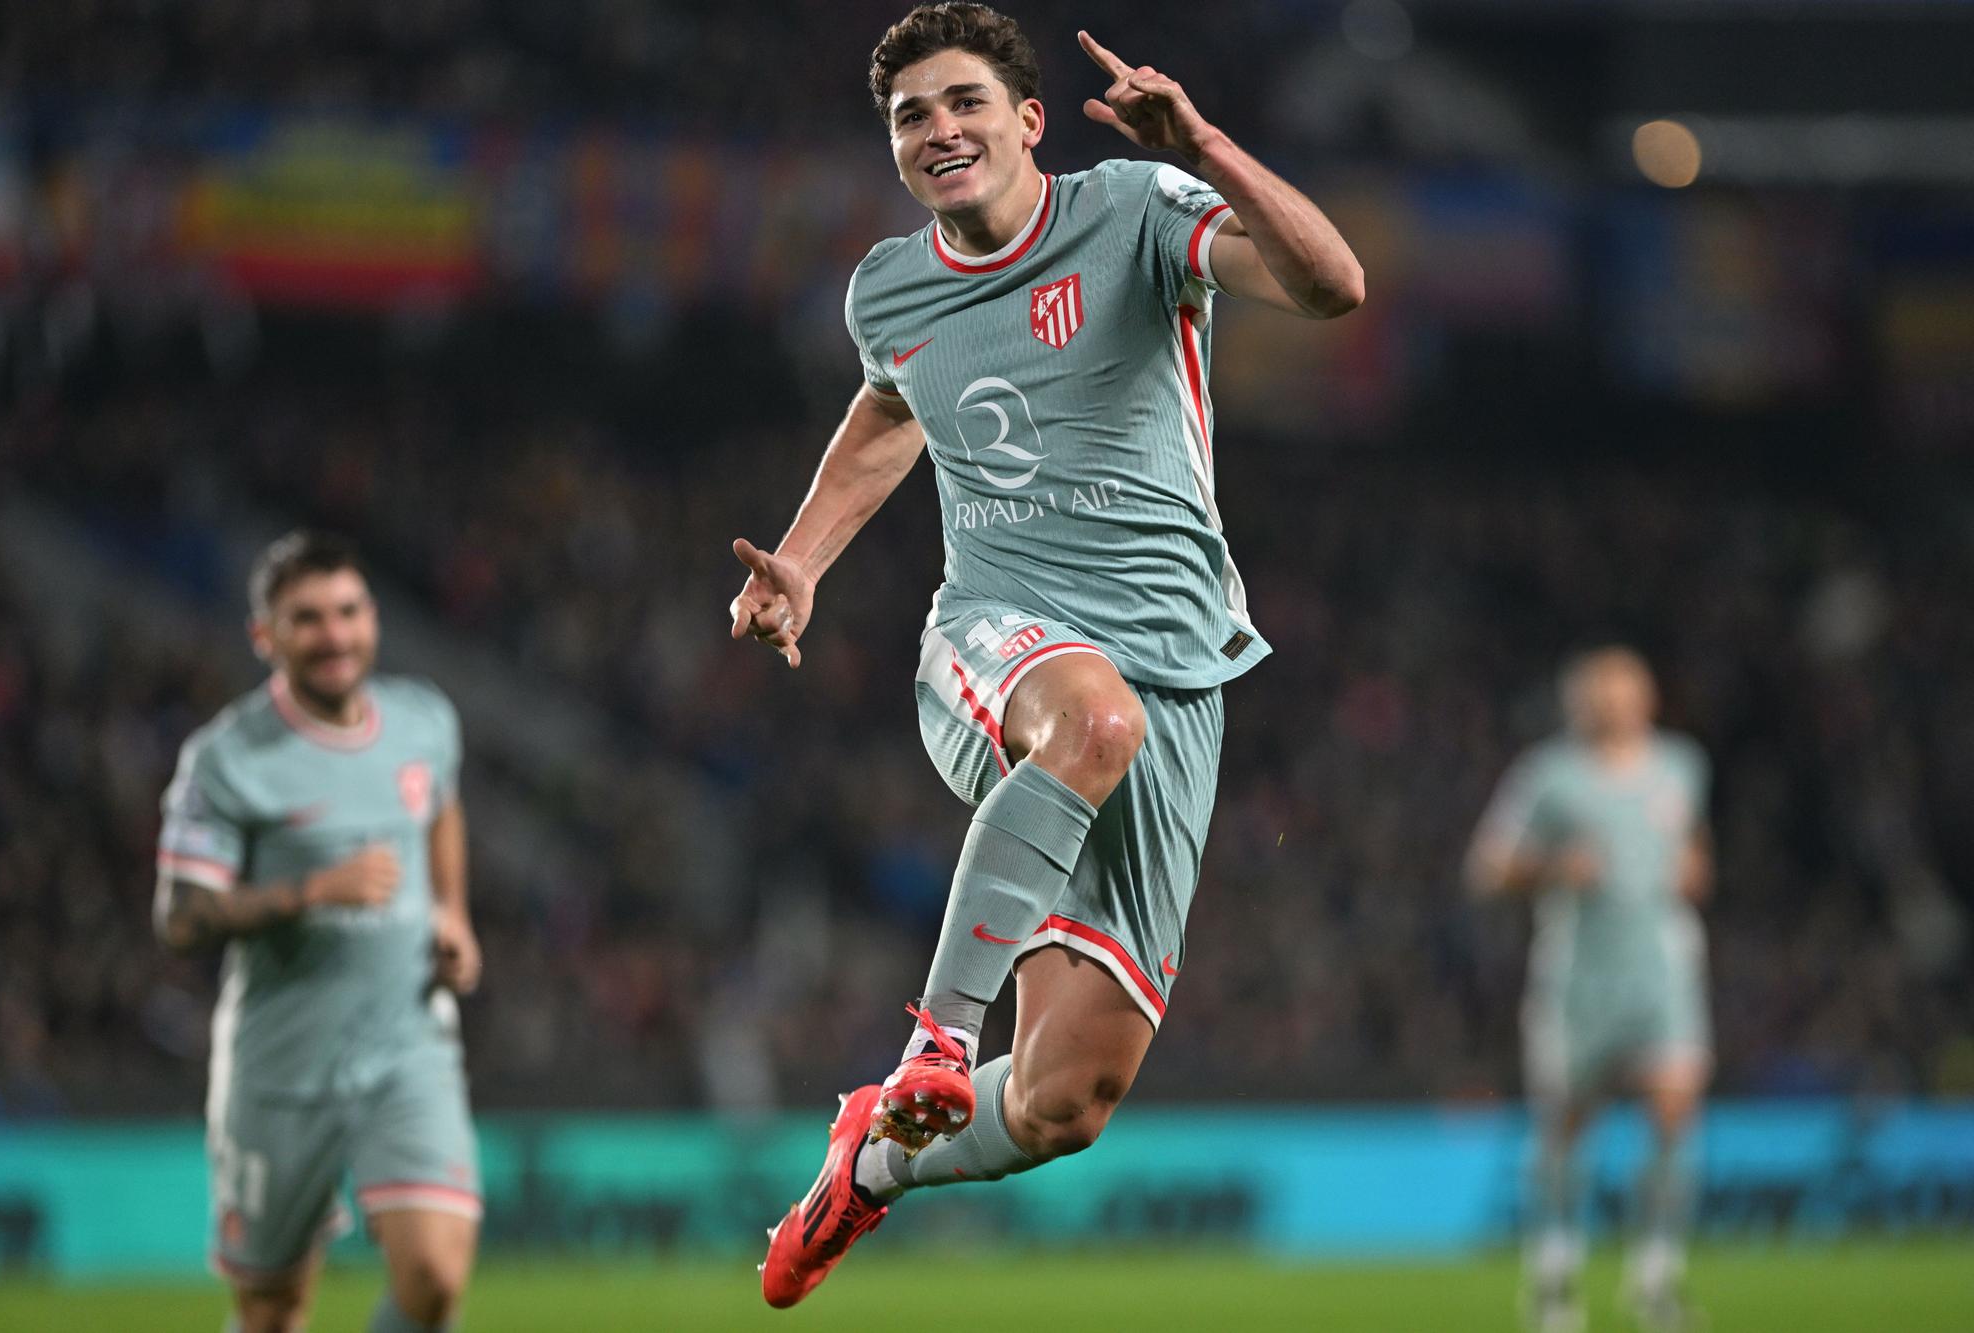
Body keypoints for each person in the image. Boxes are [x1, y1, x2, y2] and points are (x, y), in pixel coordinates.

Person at [729, 3, 1363, 1307]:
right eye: (911, 115)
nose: (938, 130)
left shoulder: (1134, 209)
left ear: (1027, 122)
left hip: (1178, 666)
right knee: (1093, 723)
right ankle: (933, 1044)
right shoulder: (889, 285)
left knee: (1070, 1100)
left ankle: (871, 1170)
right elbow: (891, 405)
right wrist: (803, 559)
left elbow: (1331, 284)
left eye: (963, 102)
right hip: (998, 637)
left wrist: (1205, 142)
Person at [154, 531, 483, 1333]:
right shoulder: (226, 760)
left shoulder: (423, 721)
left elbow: (440, 806)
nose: (335, 634)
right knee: (271, 1311)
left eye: (348, 610)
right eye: (307, 619)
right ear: (265, 637)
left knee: (436, 1276)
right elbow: (182, 916)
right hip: (281, 1064)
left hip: (406, 1043)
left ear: (373, 615)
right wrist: (311, 890)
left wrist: (453, 913)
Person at [1466, 647, 1714, 1333]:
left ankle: (1655, 1277)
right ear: (1578, 702)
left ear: (1647, 697)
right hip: (1578, 975)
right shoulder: (1548, 775)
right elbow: (1486, 867)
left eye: (1625, 689)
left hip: (1663, 967)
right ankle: (1552, 1271)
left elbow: (1693, 850)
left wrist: (1693, 868)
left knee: (1673, 1112)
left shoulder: (1681, 766)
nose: (1612, 702)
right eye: (1599, 691)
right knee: (1567, 1127)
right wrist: (1551, 865)